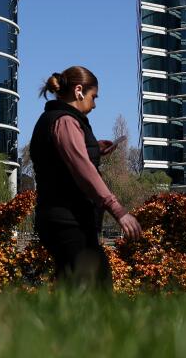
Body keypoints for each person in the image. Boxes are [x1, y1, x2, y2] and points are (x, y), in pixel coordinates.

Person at [30, 66, 142, 288]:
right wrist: (118, 210)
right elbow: (83, 169)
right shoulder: (65, 121)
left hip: (65, 221)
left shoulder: (57, 119)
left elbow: (64, 158)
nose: (94, 104)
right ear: (79, 90)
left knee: (82, 291)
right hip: (68, 221)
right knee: (92, 292)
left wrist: (95, 149)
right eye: (93, 97)